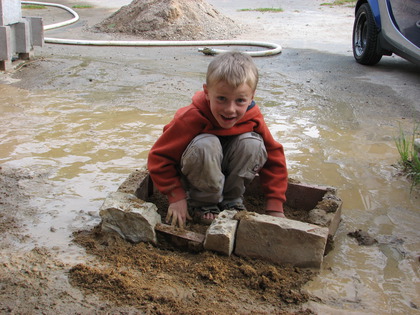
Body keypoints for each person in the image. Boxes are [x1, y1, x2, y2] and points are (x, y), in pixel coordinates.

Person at [147, 51, 288, 228]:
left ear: (251, 97)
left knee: (253, 143)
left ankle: (231, 200)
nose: (230, 109)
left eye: (240, 101)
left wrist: (275, 205)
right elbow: (158, 157)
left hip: (229, 174)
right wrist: (175, 196)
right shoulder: (191, 117)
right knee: (207, 144)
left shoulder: (253, 117)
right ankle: (203, 203)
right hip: (196, 176)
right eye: (221, 98)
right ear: (207, 93)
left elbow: (275, 157)